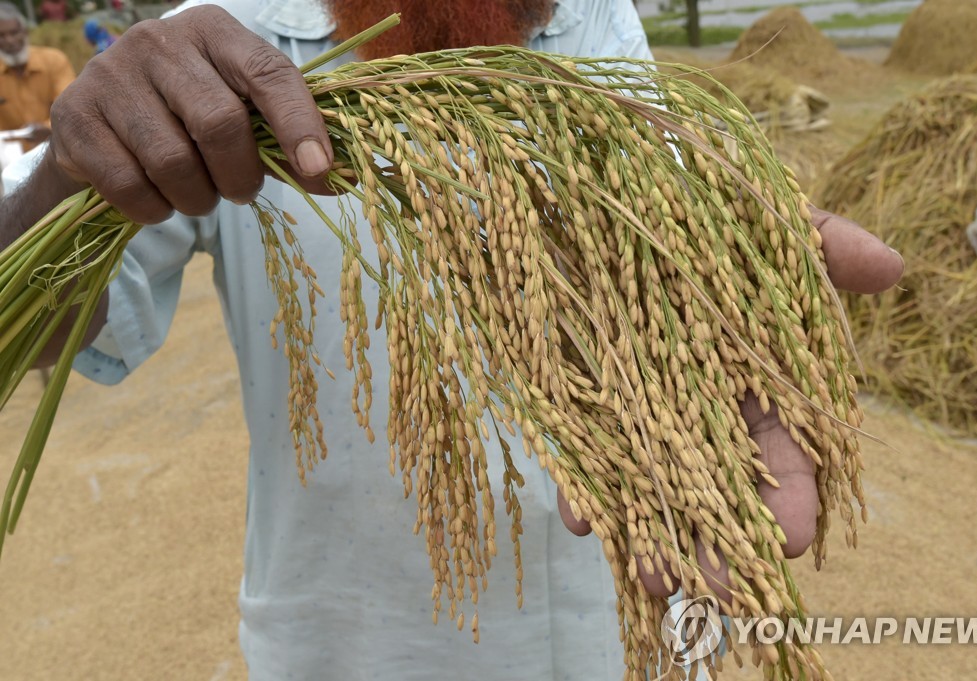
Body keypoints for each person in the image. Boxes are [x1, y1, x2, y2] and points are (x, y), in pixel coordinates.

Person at [0, 1, 904, 679]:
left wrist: (713, 252)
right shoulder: (216, 42)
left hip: (619, 625)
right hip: (351, 645)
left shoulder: (593, 17)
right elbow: (39, 317)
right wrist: (65, 178)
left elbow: (640, 216)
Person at [0, 3, 74, 150]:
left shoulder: (54, 60)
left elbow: (70, 107)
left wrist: (48, 128)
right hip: (12, 157)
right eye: (1, 35)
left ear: (25, 32)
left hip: (59, 146)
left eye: (14, 33)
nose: (9, 41)